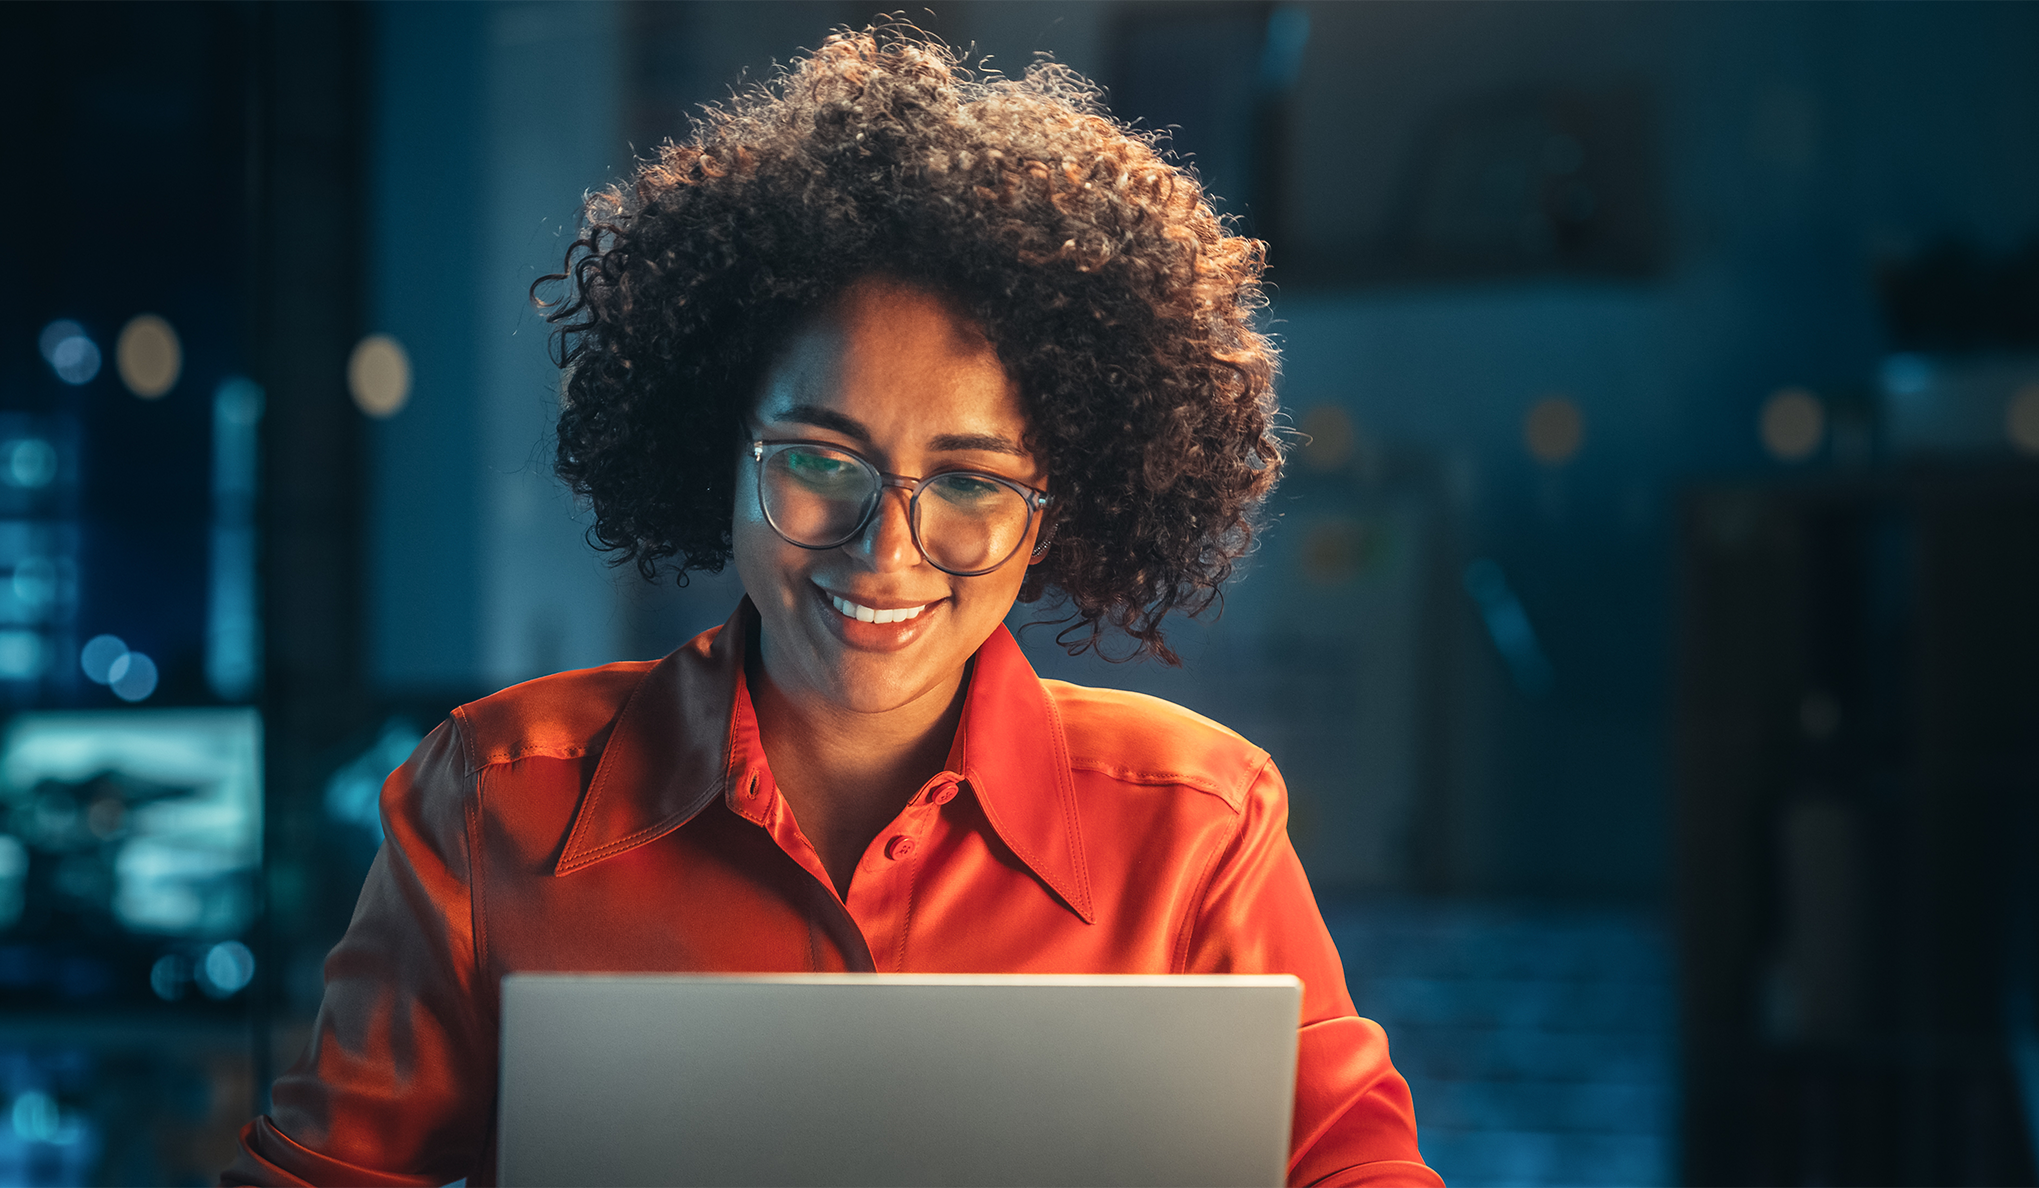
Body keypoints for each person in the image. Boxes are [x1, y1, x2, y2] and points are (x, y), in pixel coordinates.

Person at [225, 26, 1442, 1188]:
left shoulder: (1197, 828)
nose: (885, 551)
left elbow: (1354, 1166)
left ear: (1055, 509)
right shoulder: (493, 801)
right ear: (720, 449)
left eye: (967, 482)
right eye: (817, 459)